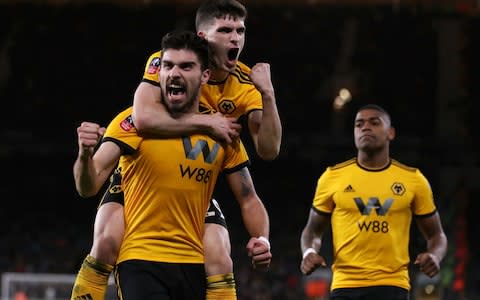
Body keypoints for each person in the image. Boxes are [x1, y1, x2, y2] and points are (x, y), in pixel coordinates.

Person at [70, 1, 281, 299]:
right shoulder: (165, 62)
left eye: (240, 31)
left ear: (204, 74)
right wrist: (206, 125)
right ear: (204, 36)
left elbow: (268, 153)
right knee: (106, 240)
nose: (235, 38)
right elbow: (142, 118)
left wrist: (268, 94)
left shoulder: (245, 86)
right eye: (225, 30)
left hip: (193, 189)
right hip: (140, 182)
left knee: (220, 250)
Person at [300, 104, 448, 300]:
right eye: (358, 124)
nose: (365, 127)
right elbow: (312, 231)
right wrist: (309, 251)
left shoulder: (413, 180)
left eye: (374, 122)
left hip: (393, 285)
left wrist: (435, 256)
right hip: (345, 285)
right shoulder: (332, 177)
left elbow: (436, 234)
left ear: (391, 133)